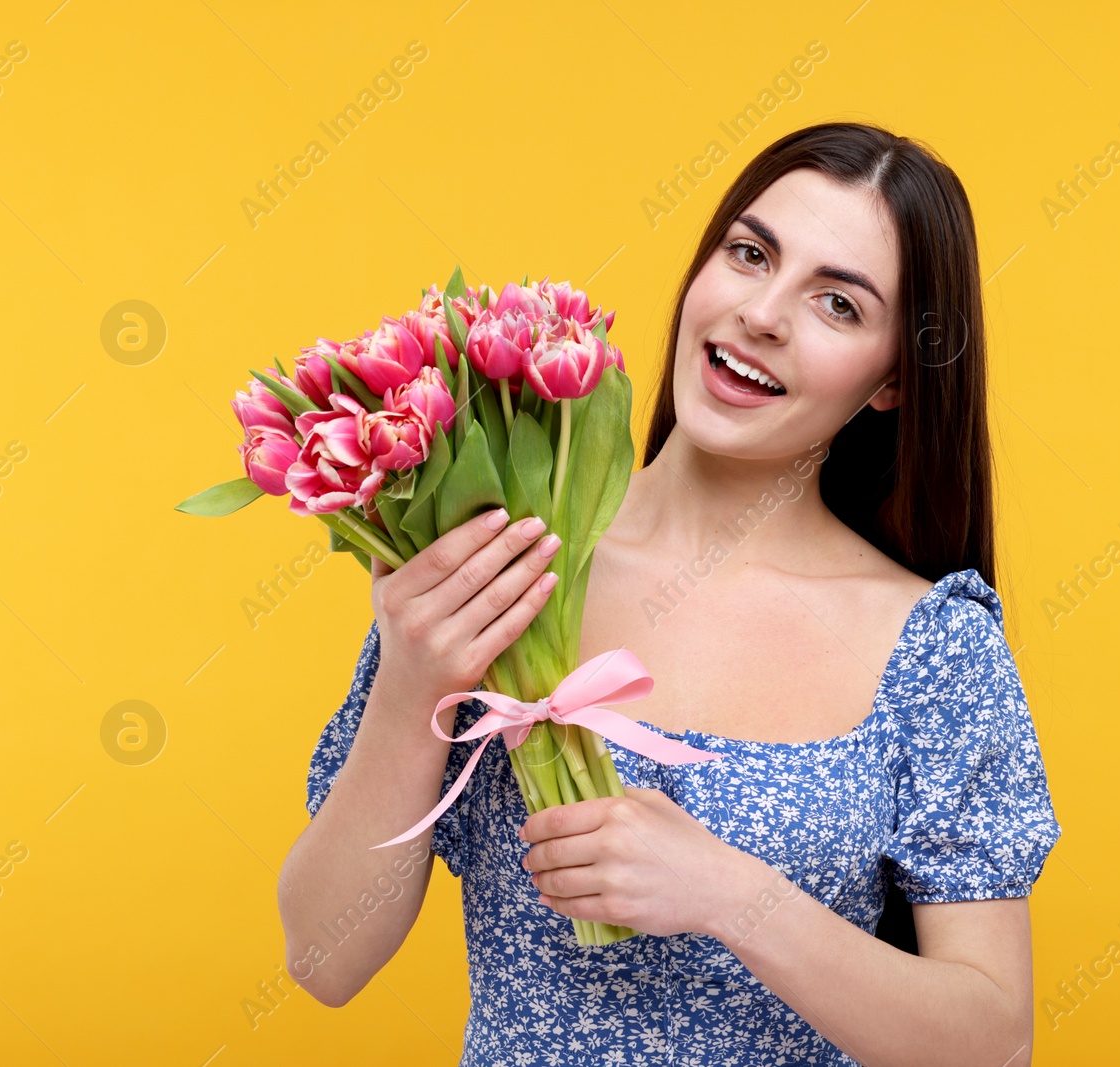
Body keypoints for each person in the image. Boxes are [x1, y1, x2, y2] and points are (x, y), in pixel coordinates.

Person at [278, 120, 1063, 1066]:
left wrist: (735, 895)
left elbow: (991, 1042)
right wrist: (413, 678)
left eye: (839, 305)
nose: (763, 313)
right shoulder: (504, 556)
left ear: (892, 381)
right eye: (749, 254)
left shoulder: (934, 646)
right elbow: (324, 956)